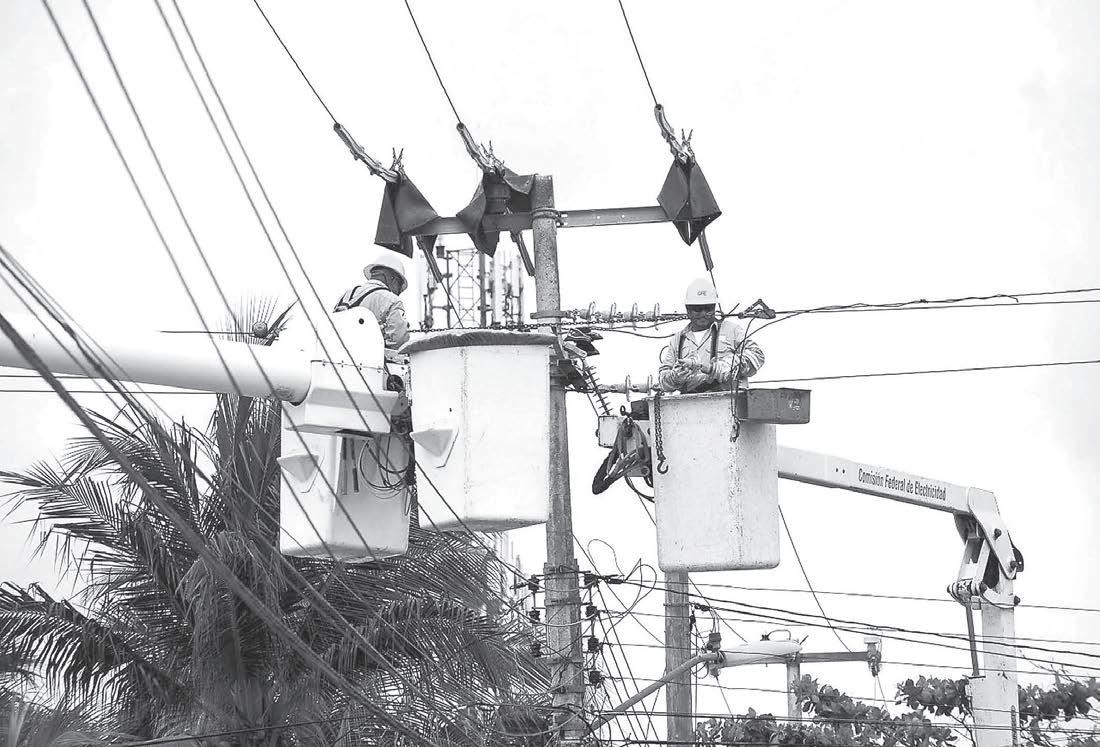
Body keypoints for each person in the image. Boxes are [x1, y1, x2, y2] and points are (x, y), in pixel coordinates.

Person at [658, 278, 765, 393]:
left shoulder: (732, 331)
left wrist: (727, 366)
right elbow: (663, 380)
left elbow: (757, 355)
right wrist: (675, 377)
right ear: (688, 310)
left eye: (708, 308)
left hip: (728, 399)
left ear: (714, 308)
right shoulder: (678, 340)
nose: (703, 313)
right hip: (689, 401)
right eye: (698, 309)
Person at [333, 253, 411, 350]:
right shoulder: (392, 301)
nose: (398, 292)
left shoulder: (345, 297)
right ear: (393, 279)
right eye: (399, 286)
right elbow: (399, 342)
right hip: (370, 358)